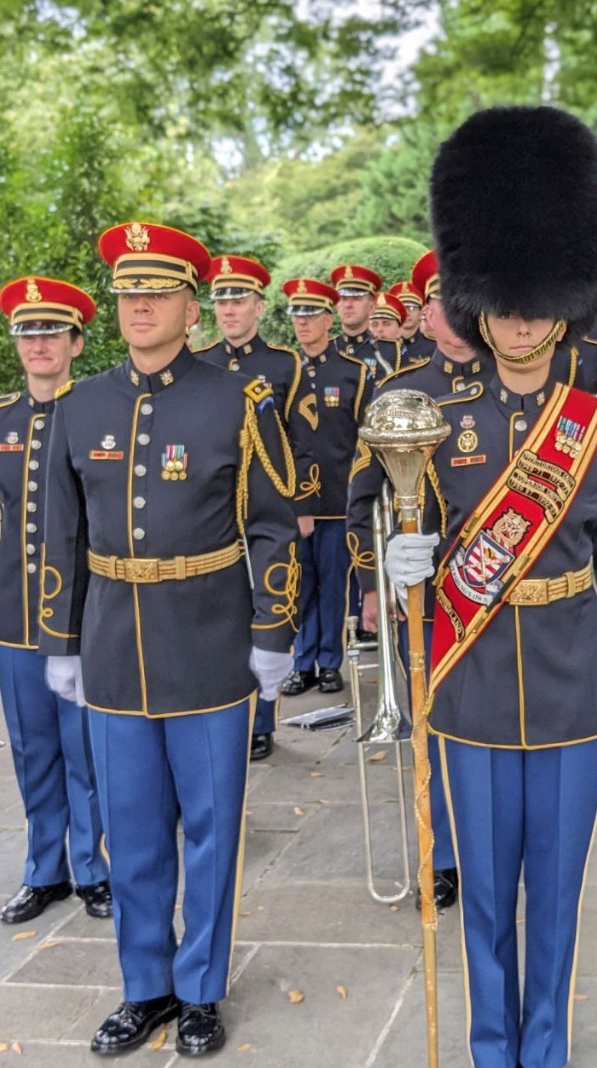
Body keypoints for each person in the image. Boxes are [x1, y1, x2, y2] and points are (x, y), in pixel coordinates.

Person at [387, 106, 597, 1068]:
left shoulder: (596, 425)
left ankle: (546, 1046)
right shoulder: (433, 418)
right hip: (474, 676)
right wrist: (407, 557)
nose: (523, 324)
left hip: (575, 672)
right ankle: (493, 1049)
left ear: (566, 305)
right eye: (506, 307)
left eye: (541, 307)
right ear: (479, 301)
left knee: (557, 886)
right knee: (487, 890)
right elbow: (403, 541)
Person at [39, 221, 300, 1057]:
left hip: (211, 645)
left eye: (157, 292)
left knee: (213, 829)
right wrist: (62, 640)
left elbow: (270, 525)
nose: (140, 305)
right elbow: (61, 538)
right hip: (114, 648)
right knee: (133, 830)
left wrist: (271, 630)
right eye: (127, 293)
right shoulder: (79, 406)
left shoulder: (236, 398)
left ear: (193, 305)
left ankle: (200, 988)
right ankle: (143, 986)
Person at [0, 276, 111, 925]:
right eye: (28, 332)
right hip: (15, 614)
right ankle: (43, 868)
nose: (39, 343)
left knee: (86, 746)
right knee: (32, 749)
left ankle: (94, 866)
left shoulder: (102, 411)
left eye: (52, 332)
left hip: (85, 616)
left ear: (76, 342)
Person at [346, 250, 482, 912]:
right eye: (439, 304)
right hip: (423, 592)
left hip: (498, 588)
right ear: (423, 315)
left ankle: (495, 845)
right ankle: (446, 853)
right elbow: (359, 492)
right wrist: (373, 579)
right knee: (431, 722)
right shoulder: (400, 391)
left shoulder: (512, 382)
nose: (452, 317)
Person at [195, 253, 315, 759]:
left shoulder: (285, 363)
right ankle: (221, 709)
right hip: (214, 512)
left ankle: (261, 719)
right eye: (220, 299)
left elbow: (302, 439)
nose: (228, 310)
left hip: (266, 509)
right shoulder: (200, 362)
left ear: (259, 306)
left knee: (267, 610)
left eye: (238, 299)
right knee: (218, 617)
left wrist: (302, 505)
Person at [281, 276, 374, 696]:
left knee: (334, 584)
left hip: (338, 497)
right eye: (296, 315)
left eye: (311, 314)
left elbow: (364, 438)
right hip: (292, 500)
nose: (302, 323)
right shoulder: (285, 370)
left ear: (328, 317)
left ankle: (330, 660)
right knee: (299, 585)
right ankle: (303, 662)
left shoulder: (354, 372)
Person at [330, 263, 394, 379]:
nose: (348, 305)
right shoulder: (326, 350)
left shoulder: (390, 352)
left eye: (356, 299)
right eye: (343, 299)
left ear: (372, 307)